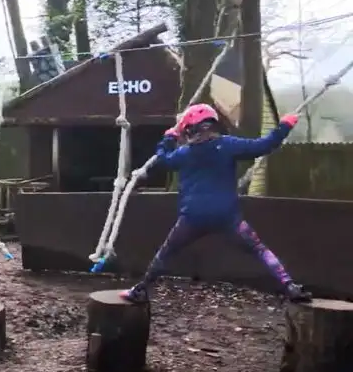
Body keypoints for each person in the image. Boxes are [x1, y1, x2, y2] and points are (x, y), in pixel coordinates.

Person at [119, 103, 312, 304]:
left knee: (166, 253)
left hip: (192, 217)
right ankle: (290, 286)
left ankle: (141, 289)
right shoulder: (228, 145)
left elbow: (163, 160)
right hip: (227, 217)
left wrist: (168, 138)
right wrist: (284, 126)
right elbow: (264, 145)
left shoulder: (185, 154)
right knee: (259, 250)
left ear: (189, 129)